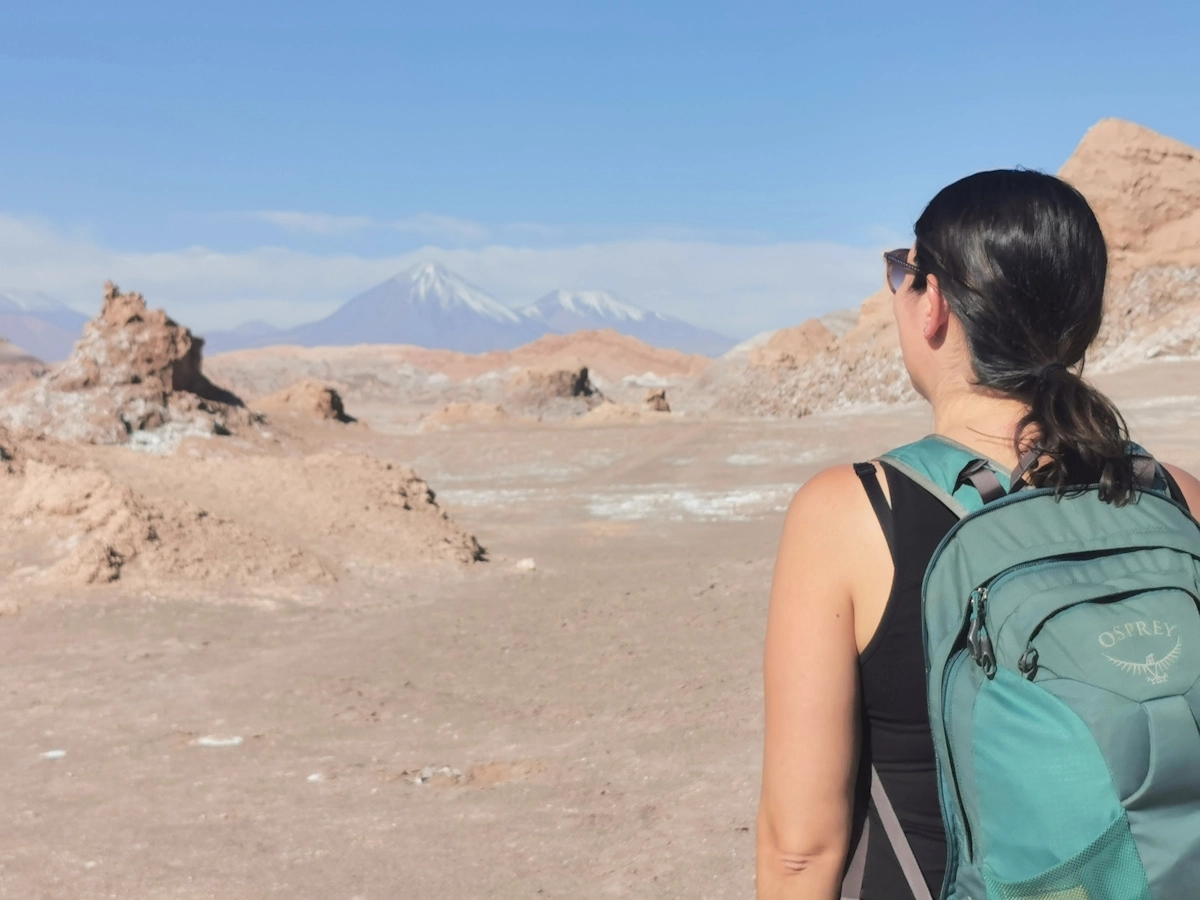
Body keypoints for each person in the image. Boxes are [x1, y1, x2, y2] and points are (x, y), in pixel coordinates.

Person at [755, 169, 1200, 900]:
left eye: (904, 272)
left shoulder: (853, 513)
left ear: (932, 304)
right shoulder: (1173, 496)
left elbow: (800, 850)